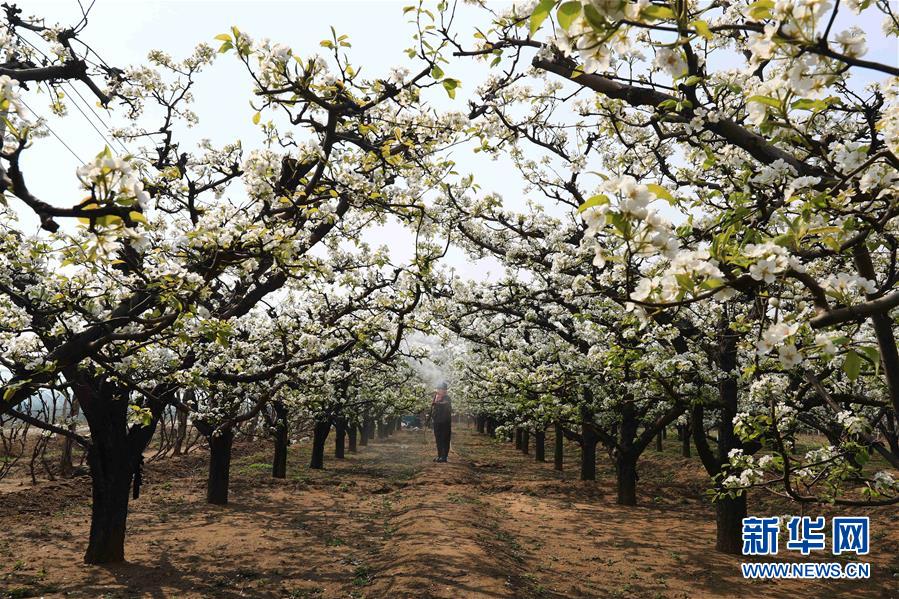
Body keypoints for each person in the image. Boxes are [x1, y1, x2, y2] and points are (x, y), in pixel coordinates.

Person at [429, 381, 452, 462]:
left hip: (445, 422)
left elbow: (445, 403)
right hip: (437, 422)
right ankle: (439, 455)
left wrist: (436, 403)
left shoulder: (447, 398)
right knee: (438, 439)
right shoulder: (436, 397)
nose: (438, 390)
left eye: (440, 389)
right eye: (438, 388)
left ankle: (444, 456)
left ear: (445, 390)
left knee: (444, 439)